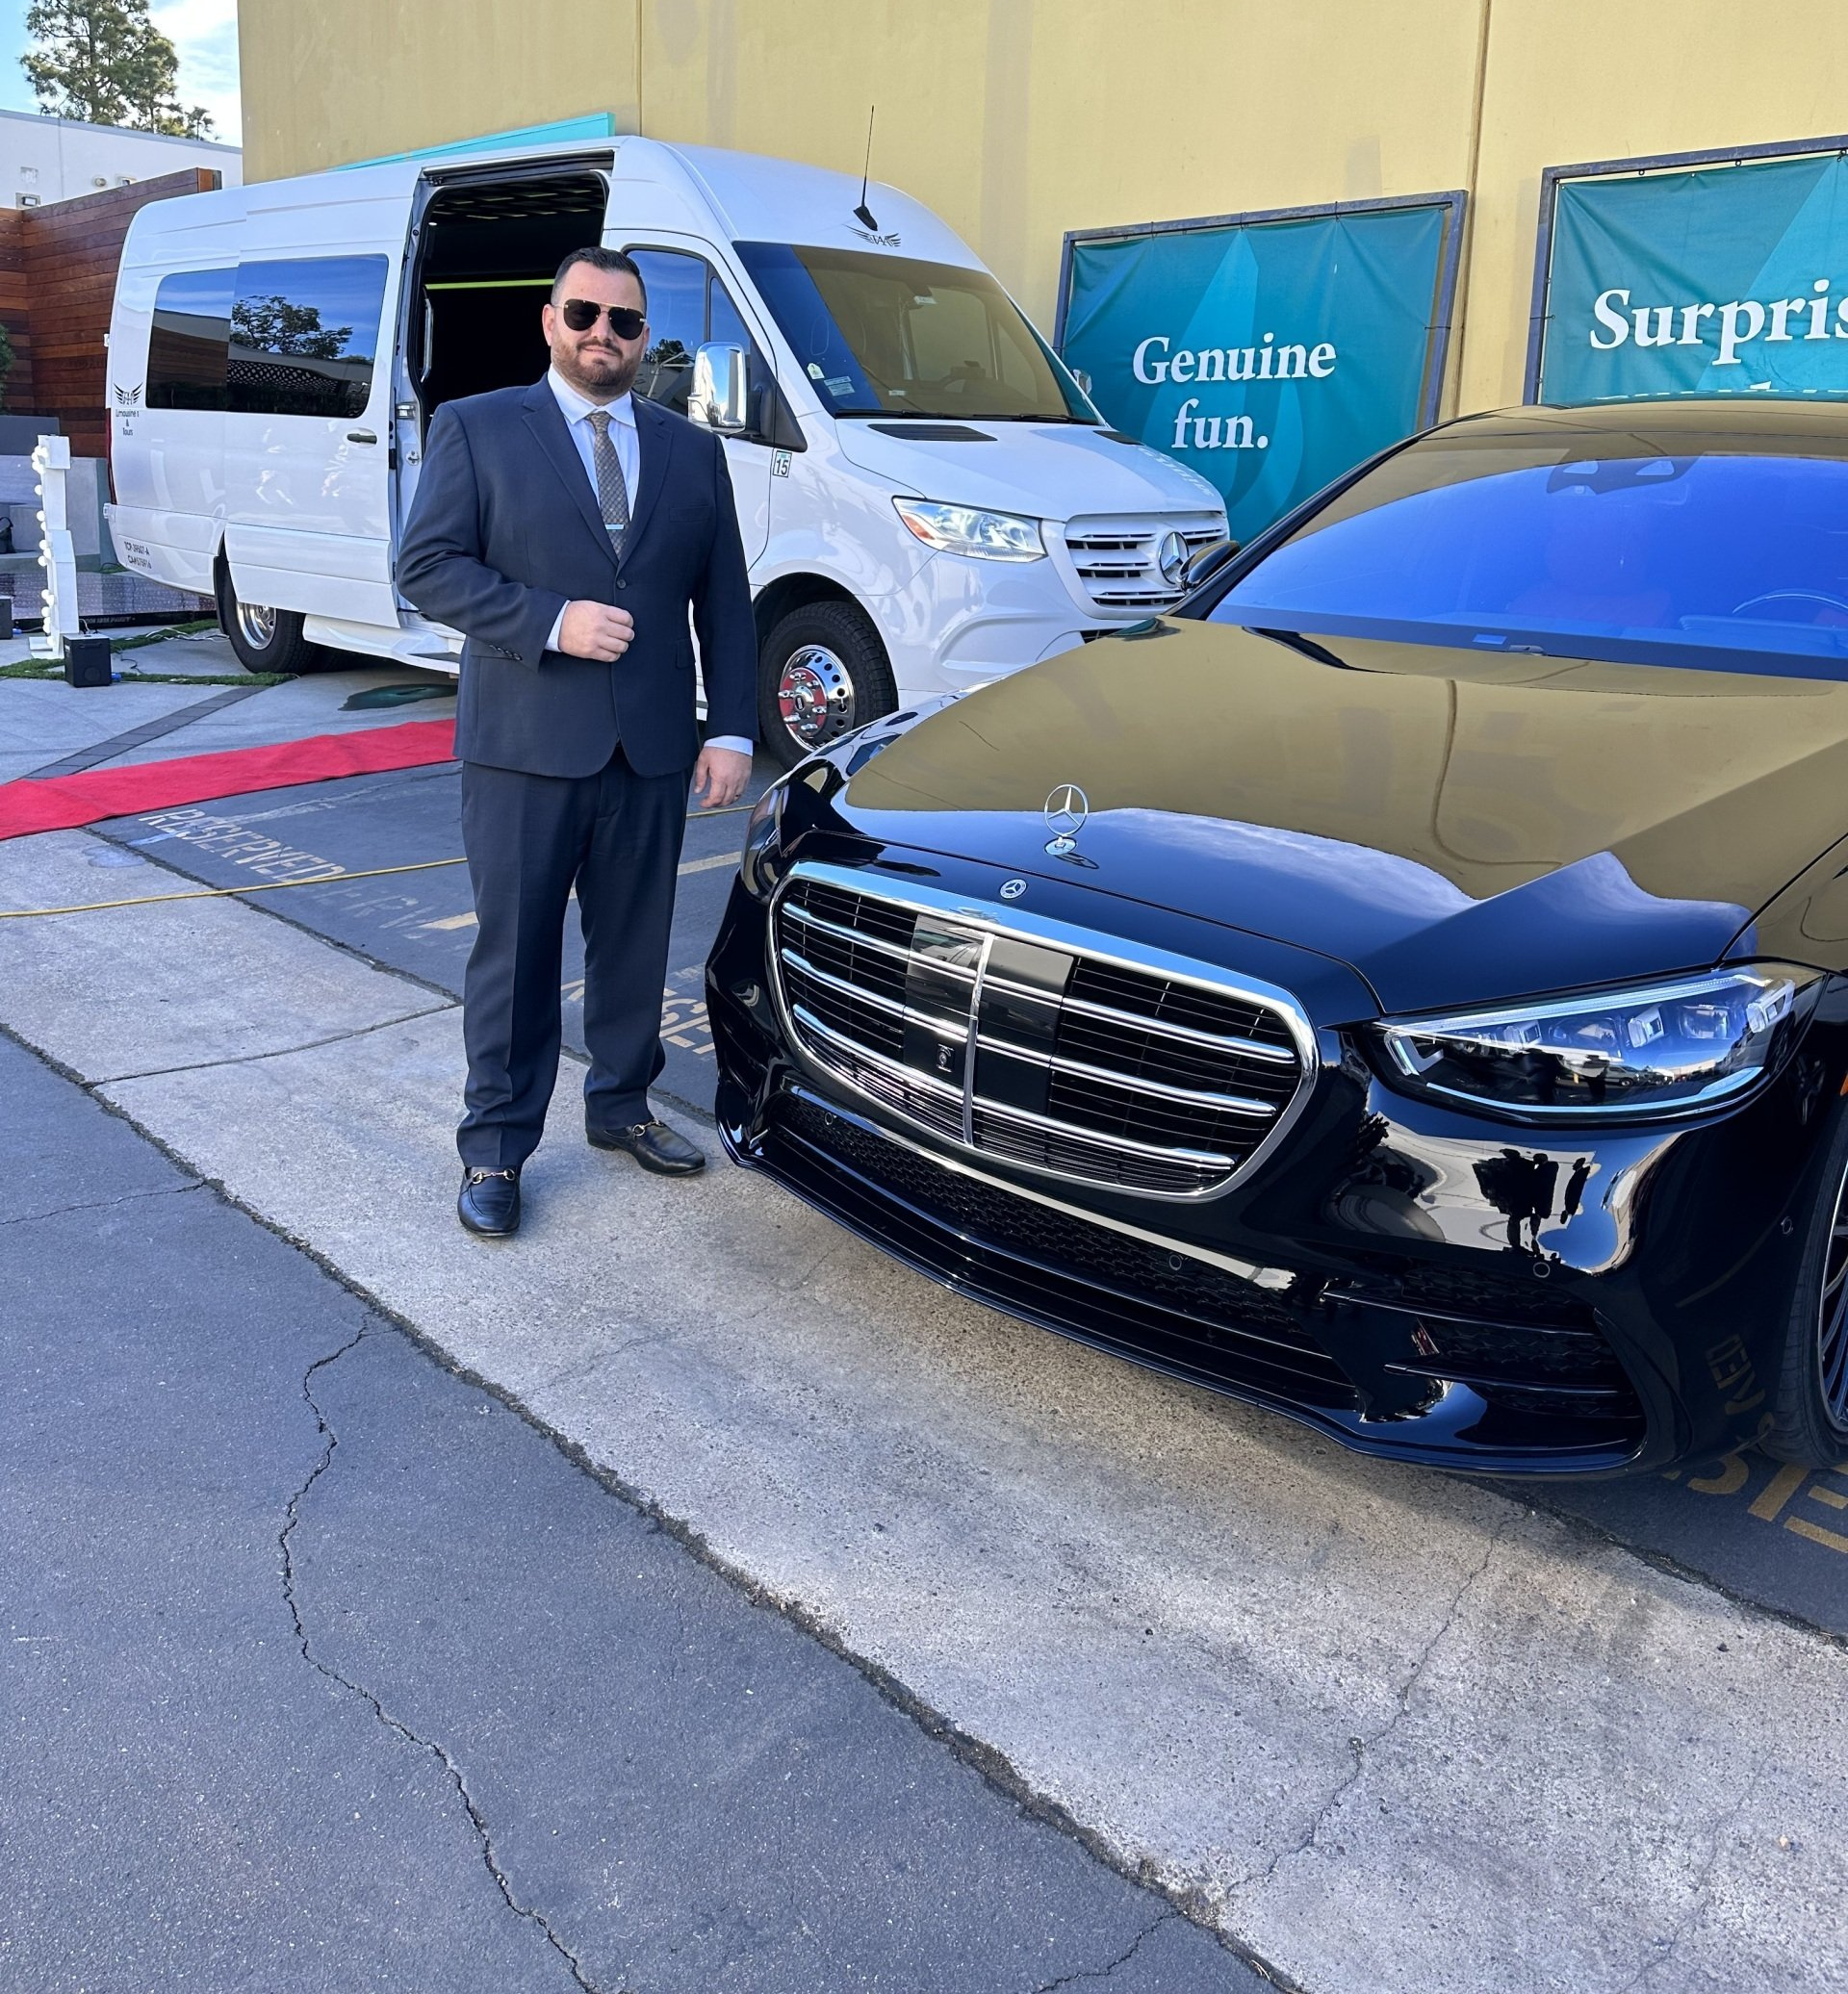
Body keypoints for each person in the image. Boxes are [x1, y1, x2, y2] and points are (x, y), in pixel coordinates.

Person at [398, 246, 756, 1239]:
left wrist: (729, 729)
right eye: (587, 312)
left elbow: (724, 599)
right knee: (515, 957)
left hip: (648, 750)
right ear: (550, 320)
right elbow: (425, 567)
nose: (606, 333)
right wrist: (552, 620)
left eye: (627, 321)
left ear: (646, 339)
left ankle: (622, 1105)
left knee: (636, 945)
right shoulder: (475, 428)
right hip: (522, 746)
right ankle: (496, 1146)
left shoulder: (691, 451)